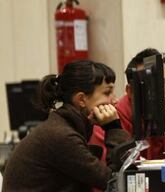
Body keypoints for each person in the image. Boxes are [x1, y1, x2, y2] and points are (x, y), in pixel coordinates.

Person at [2, 60, 130, 191]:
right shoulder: (61, 136)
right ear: (81, 99)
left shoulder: (63, 126)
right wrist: (113, 127)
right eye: (107, 93)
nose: (115, 100)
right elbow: (116, 182)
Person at [89, 48, 165, 160]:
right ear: (130, 91)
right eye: (149, 84)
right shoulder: (109, 122)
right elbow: (114, 170)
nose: (160, 91)